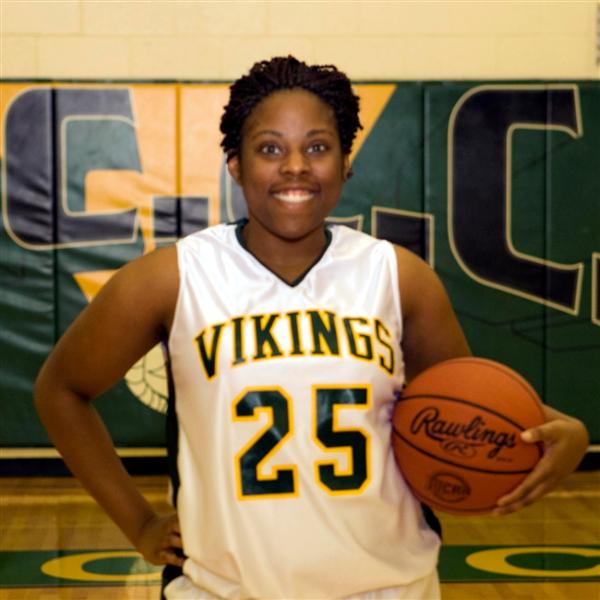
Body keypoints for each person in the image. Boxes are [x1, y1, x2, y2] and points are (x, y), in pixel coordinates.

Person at [35, 56, 589, 599]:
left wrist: (565, 434)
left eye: (318, 147)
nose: (295, 166)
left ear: (346, 163)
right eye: (270, 148)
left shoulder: (398, 277)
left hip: (390, 588)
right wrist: (138, 523)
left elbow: (467, 406)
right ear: (235, 164)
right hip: (224, 590)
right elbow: (61, 390)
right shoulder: (173, 277)